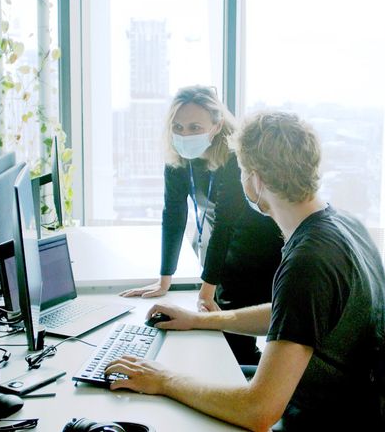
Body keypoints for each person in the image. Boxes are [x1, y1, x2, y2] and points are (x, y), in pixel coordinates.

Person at [106, 111, 385, 431]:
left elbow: (259, 411)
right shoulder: (343, 226)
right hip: (358, 408)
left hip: (317, 421)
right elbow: (294, 315)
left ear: (254, 181)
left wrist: (164, 380)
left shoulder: (308, 262)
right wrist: (200, 320)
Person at [119, 85, 283, 366]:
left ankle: (252, 379)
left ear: (217, 126)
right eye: (178, 126)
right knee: (222, 330)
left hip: (258, 247)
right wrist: (164, 279)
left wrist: (206, 293)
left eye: (195, 127)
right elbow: (173, 213)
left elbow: (224, 223)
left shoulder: (233, 156)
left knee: (233, 336)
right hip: (224, 250)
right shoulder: (178, 155)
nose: (185, 135)